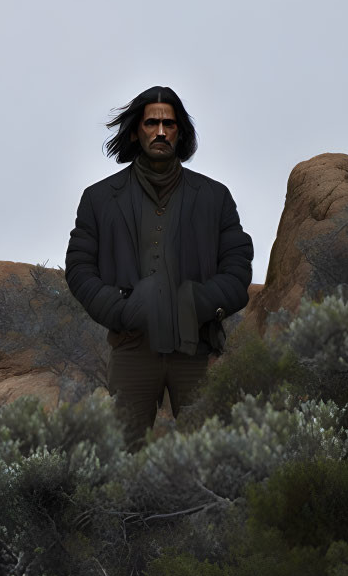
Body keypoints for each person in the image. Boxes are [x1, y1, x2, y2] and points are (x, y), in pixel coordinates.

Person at [64, 85, 253, 449]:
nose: (161, 131)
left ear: (181, 131)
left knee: (210, 456)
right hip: (132, 348)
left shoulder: (215, 197)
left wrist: (196, 302)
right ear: (136, 130)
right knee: (121, 457)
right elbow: (79, 268)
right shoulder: (99, 199)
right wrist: (120, 311)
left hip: (196, 351)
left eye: (169, 123)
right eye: (152, 123)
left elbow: (238, 268)